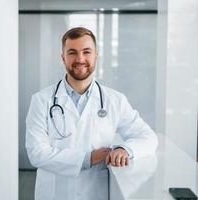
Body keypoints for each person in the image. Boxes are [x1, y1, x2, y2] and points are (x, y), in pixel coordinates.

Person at [25, 27, 158, 200]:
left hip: (95, 192)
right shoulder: (42, 100)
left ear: (96, 56)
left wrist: (125, 149)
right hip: (55, 193)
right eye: (72, 52)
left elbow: (148, 137)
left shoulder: (115, 100)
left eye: (86, 52)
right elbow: (36, 153)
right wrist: (88, 158)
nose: (80, 59)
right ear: (63, 58)